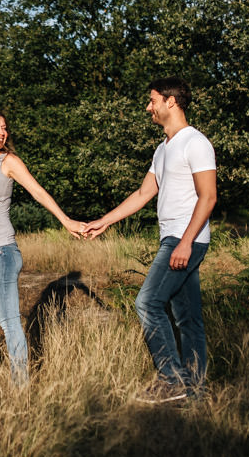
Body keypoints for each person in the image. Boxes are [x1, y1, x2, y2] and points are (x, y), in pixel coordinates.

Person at [84, 77, 217, 403]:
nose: (149, 107)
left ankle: (171, 380)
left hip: (185, 239)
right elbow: (144, 193)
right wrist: (104, 221)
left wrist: (185, 242)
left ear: (171, 102)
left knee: (148, 302)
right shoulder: (163, 149)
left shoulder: (195, 143)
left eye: (153, 100)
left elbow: (209, 196)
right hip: (173, 238)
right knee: (188, 320)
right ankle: (195, 393)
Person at [0, 110, 85, 385]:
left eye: (5, 128)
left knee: (9, 323)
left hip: (0, 252)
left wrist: (66, 221)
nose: (3, 133)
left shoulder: (9, 162)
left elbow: (37, 191)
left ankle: (20, 386)